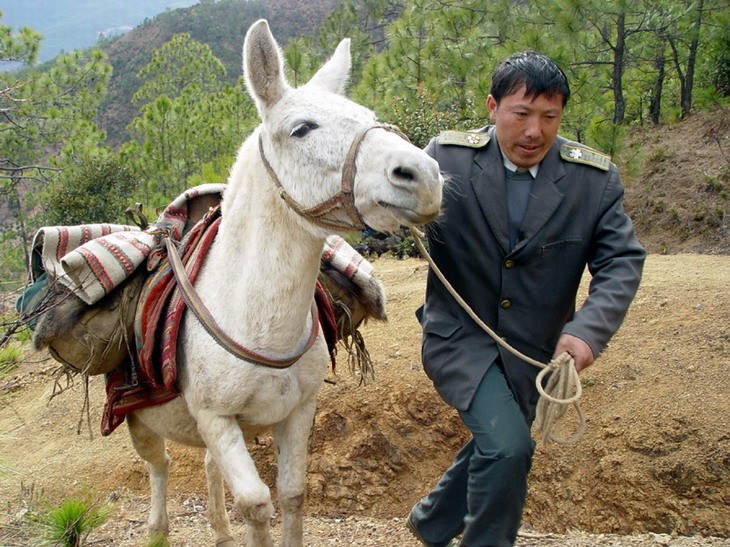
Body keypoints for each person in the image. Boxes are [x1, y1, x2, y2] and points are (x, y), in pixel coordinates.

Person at [407, 51, 646, 546]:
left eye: (549, 117)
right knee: (511, 447)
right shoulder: (446, 158)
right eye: (522, 113)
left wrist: (586, 332)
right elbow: (392, 209)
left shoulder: (593, 182)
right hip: (459, 339)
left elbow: (621, 262)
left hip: (536, 350)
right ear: (493, 108)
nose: (535, 130)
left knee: (499, 441)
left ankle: (431, 523)